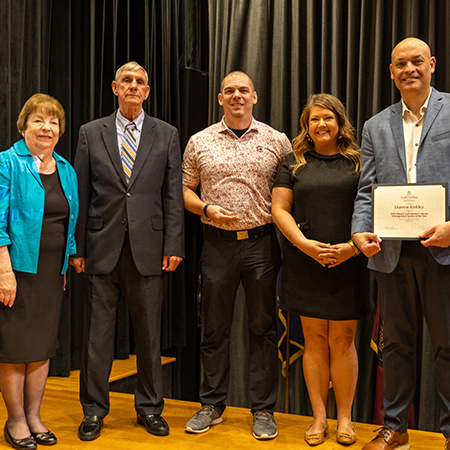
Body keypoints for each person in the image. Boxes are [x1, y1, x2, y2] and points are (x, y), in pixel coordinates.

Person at [69, 61, 184, 441]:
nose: (133, 87)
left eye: (140, 82)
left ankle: (149, 408)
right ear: (114, 88)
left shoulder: (166, 135)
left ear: (147, 91)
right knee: (97, 337)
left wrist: (173, 245)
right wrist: (78, 246)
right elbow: (82, 193)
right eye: (127, 81)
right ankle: (93, 411)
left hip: (149, 250)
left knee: (149, 335)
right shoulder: (90, 133)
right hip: (101, 249)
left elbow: (172, 195)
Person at [352, 37, 450, 450]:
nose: (409, 69)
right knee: (395, 346)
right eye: (400, 64)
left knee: (449, 347)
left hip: (443, 251)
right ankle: (395, 428)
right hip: (391, 255)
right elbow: (366, 191)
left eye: (416, 61)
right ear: (390, 72)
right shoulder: (376, 125)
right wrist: (359, 232)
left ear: (430, 64)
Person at [182, 70, 291, 440]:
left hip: (262, 243)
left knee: (262, 328)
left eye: (243, 90)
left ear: (255, 97)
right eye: (230, 91)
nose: (237, 96)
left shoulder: (277, 141)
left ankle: (263, 410)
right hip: (217, 244)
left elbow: (292, 190)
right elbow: (185, 191)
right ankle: (211, 404)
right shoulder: (199, 141)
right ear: (220, 98)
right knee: (214, 328)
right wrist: (206, 210)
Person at [272, 93, 367, 446]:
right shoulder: (292, 161)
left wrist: (352, 249)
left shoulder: (358, 161)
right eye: (314, 119)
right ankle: (318, 418)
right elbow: (280, 209)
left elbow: (372, 205)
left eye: (328, 118)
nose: (321, 124)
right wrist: (305, 246)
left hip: (349, 261)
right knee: (313, 340)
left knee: (343, 341)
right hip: (304, 260)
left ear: (340, 122)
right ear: (305, 125)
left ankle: (345, 419)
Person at [0, 93, 79, 449]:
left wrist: (68, 260)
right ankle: (15, 420)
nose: (46, 128)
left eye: (54, 122)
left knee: (42, 347)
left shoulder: (65, 168)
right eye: (38, 120)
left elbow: (70, 220)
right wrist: (3, 270)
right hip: (16, 271)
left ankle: (34, 416)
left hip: (50, 272)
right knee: (16, 347)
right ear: (24, 125)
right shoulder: (7, 163)